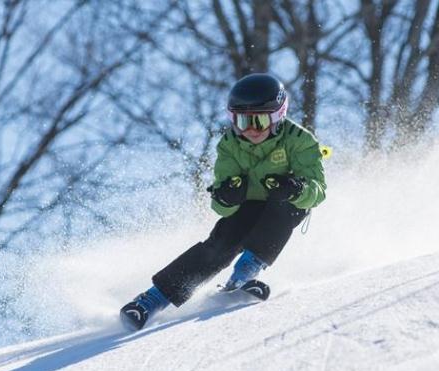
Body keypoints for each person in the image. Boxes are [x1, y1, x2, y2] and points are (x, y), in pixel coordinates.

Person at [119, 73, 327, 331]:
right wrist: (227, 196)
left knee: (285, 208)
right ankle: (151, 301)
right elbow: (221, 206)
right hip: (248, 206)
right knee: (222, 242)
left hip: (285, 204)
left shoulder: (300, 140)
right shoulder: (229, 145)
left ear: (277, 116)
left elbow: (318, 191)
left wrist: (296, 188)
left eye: (259, 121)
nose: (250, 130)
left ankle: (244, 274)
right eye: (241, 121)